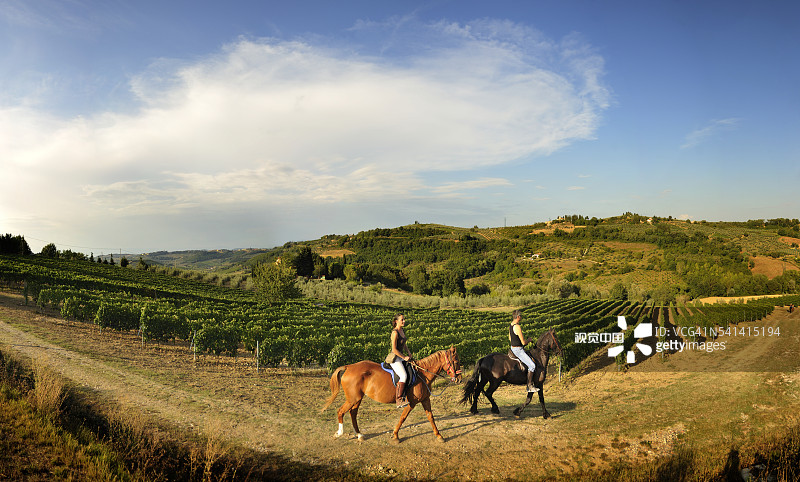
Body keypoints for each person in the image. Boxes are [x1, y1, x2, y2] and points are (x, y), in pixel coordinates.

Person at [385, 313, 413, 408]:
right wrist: (404, 357)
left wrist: (408, 352)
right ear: (396, 321)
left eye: (404, 319)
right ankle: (399, 399)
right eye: (402, 320)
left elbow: (403, 343)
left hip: (401, 356)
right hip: (395, 358)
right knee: (403, 376)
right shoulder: (395, 333)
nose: (404, 321)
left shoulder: (402, 330)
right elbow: (394, 349)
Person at [509, 310, 539, 393]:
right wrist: (529, 340)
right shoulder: (517, 326)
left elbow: (510, 338)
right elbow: (523, 342)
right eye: (521, 316)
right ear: (518, 317)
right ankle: (530, 386)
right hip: (518, 350)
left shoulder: (511, 325)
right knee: (532, 366)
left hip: (512, 348)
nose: (521, 317)